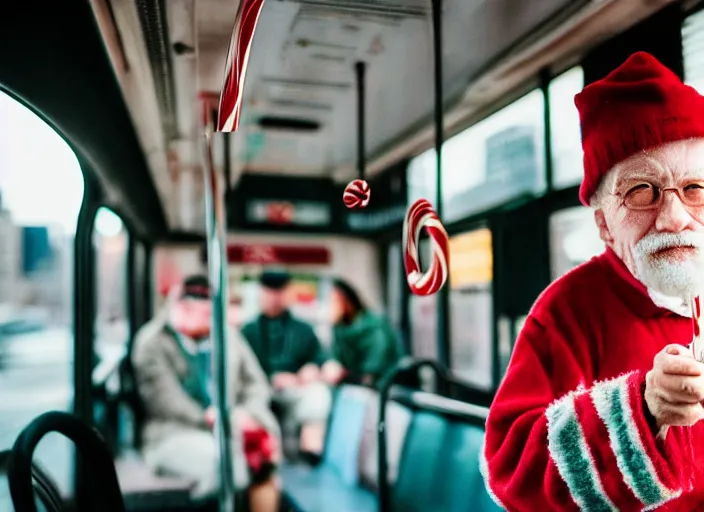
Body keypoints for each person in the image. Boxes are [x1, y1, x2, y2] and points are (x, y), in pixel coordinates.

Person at [481, 51, 704, 511]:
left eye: (695, 189)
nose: (676, 217)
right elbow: (507, 469)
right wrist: (642, 410)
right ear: (604, 224)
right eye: (642, 191)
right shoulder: (565, 310)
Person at [132, 275, 280, 511]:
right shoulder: (152, 342)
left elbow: (256, 384)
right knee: (230, 465)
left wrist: (248, 413)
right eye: (194, 311)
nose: (205, 321)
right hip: (175, 433)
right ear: (177, 307)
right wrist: (213, 418)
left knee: (264, 462)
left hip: (231, 429)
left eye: (208, 314)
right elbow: (165, 400)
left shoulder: (228, 336)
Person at [240, 270, 343, 458]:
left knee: (318, 394)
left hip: (295, 390)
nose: (274, 298)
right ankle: (264, 458)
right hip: (259, 391)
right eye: (269, 291)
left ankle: (310, 454)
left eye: (279, 292)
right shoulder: (247, 331)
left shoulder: (303, 329)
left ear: (287, 293)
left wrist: (314, 369)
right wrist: (272, 378)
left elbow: (320, 358)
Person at [329, 278, 404, 387]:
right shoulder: (340, 329)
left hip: (386, 388)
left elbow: (376, 366)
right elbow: (337, 360)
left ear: (346, 301)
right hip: (357, 388)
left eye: (333, 301)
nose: (330, 306)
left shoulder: (374, 326)